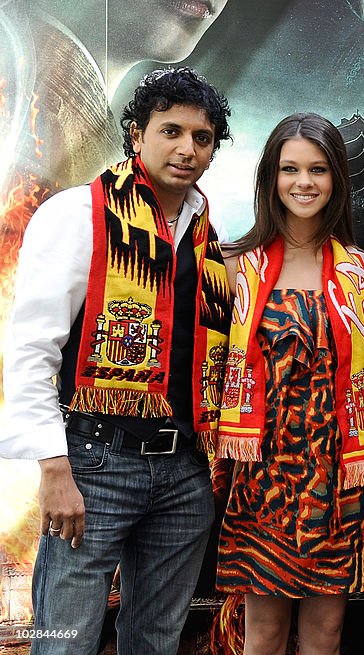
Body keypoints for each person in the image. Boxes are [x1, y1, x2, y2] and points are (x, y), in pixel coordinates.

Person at [0, 66, 233, 654]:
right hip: (95, 466)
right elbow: (30, 350)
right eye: (170, 131)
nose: (186, 148)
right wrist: (54, 471)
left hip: (185, 471)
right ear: (136, 134)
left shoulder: (208, 237)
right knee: (65, 642)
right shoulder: (79, 214)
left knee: (156, 641)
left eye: (200, 138)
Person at [213, 112, 364, 655]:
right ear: (271, 178)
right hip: (263, 471)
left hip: (338, 471)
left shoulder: (360, 269)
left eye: (318, 169)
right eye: (290, 169)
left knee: (326, 631)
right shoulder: (238, 265)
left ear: (336, 180)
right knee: (262, 630)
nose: (303, 182)